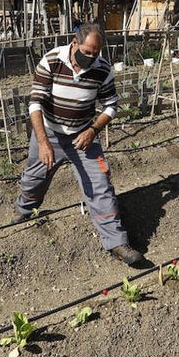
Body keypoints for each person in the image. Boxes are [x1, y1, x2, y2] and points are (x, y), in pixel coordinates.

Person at [13, 23, 145, 267]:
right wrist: (43, 142)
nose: (91, 58)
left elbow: (111, 106)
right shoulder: (52, 60)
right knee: (35, 178)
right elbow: (35, 104)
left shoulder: (102, 69)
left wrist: (93, 130)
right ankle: (24, 209)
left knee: (100, 185)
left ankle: (116, 242)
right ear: (75, 43)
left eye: (96, 54)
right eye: (87, 52)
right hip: (50, 133)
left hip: (83, 137)